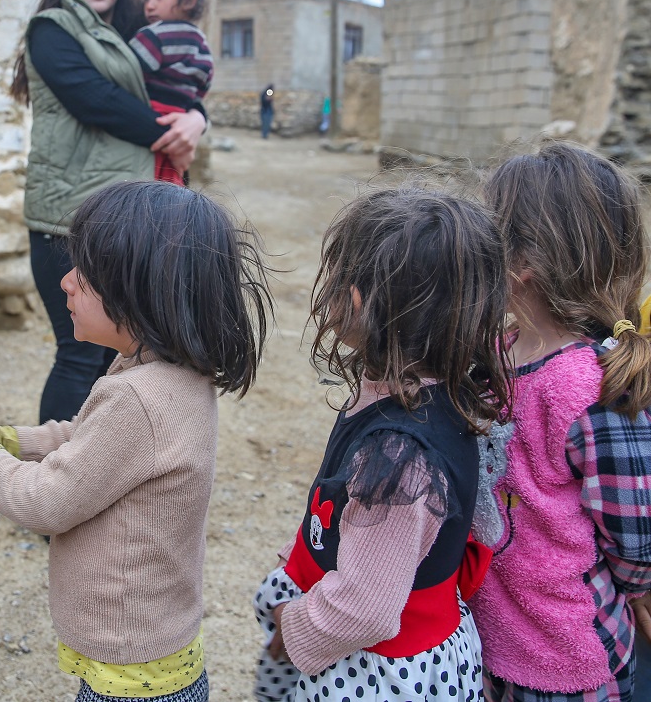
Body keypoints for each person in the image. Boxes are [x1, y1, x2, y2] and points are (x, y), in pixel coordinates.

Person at [0, 181, 273, 702]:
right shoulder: (171, 374)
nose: (66, 282)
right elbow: (85, 440)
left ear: (139, 288)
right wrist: (12, 441)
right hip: (154, 648)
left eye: (86, 274)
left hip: (130, 672)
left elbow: (46, 501)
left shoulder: (137, 399)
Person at [254, 187, 510, 702]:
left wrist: (294, 628)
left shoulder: (400, 457)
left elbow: (365, 609)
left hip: (378, 676)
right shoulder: (436, 389)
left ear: (352, 300)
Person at [471, 141, 651, 702]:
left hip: (571, 665)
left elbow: (636, 540)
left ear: (522, 264)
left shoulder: (590, 389)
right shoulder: (496, 352)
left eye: (481, 238)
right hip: (494, 641)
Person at [10, 0, 207, 425]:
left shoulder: (133, 36)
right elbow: (97, 102)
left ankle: (93, 480)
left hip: (127, 217)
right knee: (77, 354)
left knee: (114, 355)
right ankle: (50, 483)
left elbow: (180, 89)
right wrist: (172, 132)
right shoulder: (53, 29)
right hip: (67, 219)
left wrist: (197, 118)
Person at [129, 0, 214, 185]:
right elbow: (203, 89)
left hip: (151, 116)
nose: (149, 4)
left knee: (144, 181)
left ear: (187, 0)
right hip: (180, 119)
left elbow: (125, 70)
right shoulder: (202, 44)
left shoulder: (153, 36)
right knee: (170, 180)